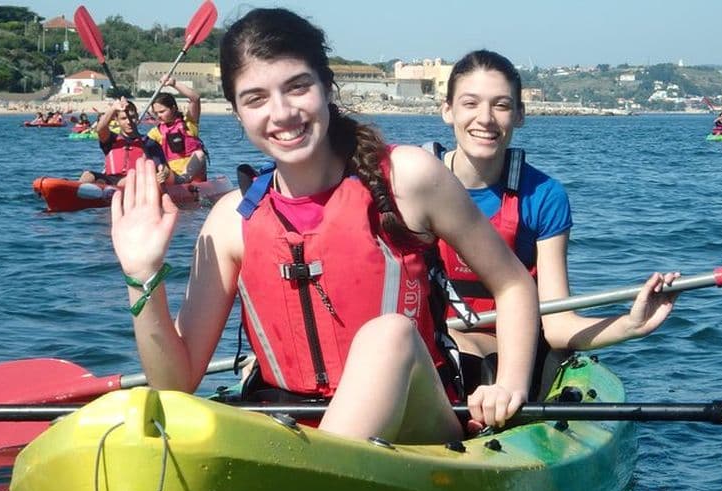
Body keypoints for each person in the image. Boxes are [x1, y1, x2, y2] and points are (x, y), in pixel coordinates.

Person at [109, 8, 540, 444]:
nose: (282, 113)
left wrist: (509, 385)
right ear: (237, 112)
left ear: (327, 87)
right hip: (292, 429)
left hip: (418, 430)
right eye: (256, 99)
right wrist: (143, 274)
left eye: (298, 87)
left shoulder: (408, 178)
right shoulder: (229, 221)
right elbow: (175, 383)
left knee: (389, 334)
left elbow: (513, 284)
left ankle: (315, 472)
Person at [433, 49, 679, 372]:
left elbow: (558, 324)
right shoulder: (411, 183)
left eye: (501, 105)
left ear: (520, 115)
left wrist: (630, 324)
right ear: (447, 110)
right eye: (470, 103)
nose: (485, 118)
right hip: (422, 341)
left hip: (499, 352)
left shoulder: (544, 197)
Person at [79, 97, 168, 186]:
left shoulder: (149, 143)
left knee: (130, 179)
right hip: (110, 180)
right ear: (117, 120)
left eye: (132, 117)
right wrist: (113, 108)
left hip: (134, 181)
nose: (128, 121)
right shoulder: (111, 139)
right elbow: (100, 129)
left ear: (137, 117)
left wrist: (164, 172)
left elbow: (163, 166)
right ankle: (76, 190)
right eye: (123, 118)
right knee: (87, 175)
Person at [146, 76, 208, 184]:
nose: (159, 116)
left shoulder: (189, 123)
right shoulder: (155, 133)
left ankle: (183, 179)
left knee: (199, 154)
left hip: (193, 175)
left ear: (173, 108)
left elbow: (195, 98)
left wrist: (174, 83)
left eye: (162, 111)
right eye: (156, 113)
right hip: (171, 175)